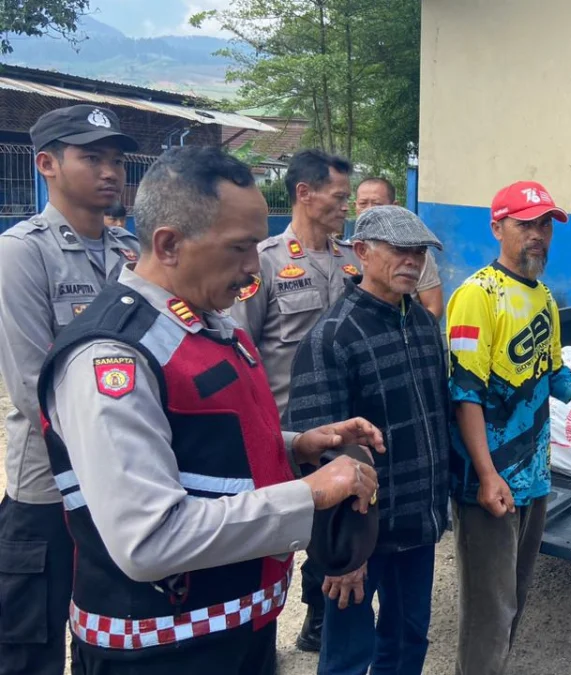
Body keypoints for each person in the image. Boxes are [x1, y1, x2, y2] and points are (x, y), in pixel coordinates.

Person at [37, 145, 385, 674]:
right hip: (162, 651)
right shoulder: (113, 356)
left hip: (234, 630)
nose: (254, 267)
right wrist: (308, 494)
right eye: (240, 248)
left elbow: (205, 447)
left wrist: (295, 447)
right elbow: (150, 538)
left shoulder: (204, 322)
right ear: (170, 244)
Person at [446, 180, 571, 675]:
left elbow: (553, 375)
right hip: (489, 480)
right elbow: (464, 392)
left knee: (513, 599)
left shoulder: (541, 297)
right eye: (525, 223)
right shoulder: (478, 295)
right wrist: (486, 474)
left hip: (534, 476)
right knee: (488, 611)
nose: (538, 234)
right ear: (498, 228)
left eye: (544, 225)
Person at [0, 104, 141, 675]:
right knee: (27, 645)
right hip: (51, 490)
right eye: (91, 158)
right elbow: (35, 386)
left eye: (116, 160)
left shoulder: (130, 255)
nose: (110, 171)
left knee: (107, 638)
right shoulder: (22, 253)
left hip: (122, 482)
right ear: (47, 164)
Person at [287, 205, 451, 675]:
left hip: (416, 526)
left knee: (408, 641)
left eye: (419, 252)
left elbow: (436, 419)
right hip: (365, 535)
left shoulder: (420, 325)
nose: (412, 262)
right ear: (361, 251)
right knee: (347, 655)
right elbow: (321, 459)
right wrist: (343, 556)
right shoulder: (331, 339)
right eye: (399, 250)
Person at [228, 148, 364, 651]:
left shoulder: (352, 260)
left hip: (343, 425)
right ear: (304, 194)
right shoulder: (264, 262)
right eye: (338, 196)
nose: (345, 206)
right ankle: (256, 630)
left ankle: (318, 616)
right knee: (280, 525)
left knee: (337, 523)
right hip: (284, 430)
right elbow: (241, 350)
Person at [355, 176, 445, 319]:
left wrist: (420, 334)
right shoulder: (344, 251)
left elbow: (433, 305)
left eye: (377, 204)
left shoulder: (418, 256)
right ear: (361, 251)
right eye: (363, 204)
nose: (369, 210)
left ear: (394, 206)